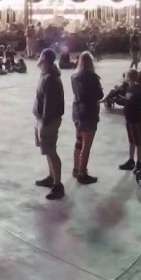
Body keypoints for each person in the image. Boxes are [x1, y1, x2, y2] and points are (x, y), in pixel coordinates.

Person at [33, 48, 66, 200]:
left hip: (48, 121)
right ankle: (51, 177)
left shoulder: (50, 78)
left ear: (44, 59)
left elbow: (50, 103)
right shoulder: (47, 75)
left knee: (51, 151)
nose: (38, 58)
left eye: (40, 56)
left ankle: (58, 185)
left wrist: (45, 121)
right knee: (47, 150)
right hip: (44, 119)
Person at [70, 51, 103, 184]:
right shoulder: (93, 78)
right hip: (89, 113)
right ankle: (82, 173)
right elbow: (99, 95)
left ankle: (76, 168)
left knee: (78, 142)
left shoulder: (74, 77)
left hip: (77, 112)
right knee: (86, 145)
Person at [119, 68, 141, 171]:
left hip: (136, 120)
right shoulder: (129, 89)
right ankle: (131, 161)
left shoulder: (137, 90)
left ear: (129, 78)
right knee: (131, 141)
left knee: (138, 142)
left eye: (126, 76)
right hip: (129, 120)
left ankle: (139, 162)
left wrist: (133, 106)